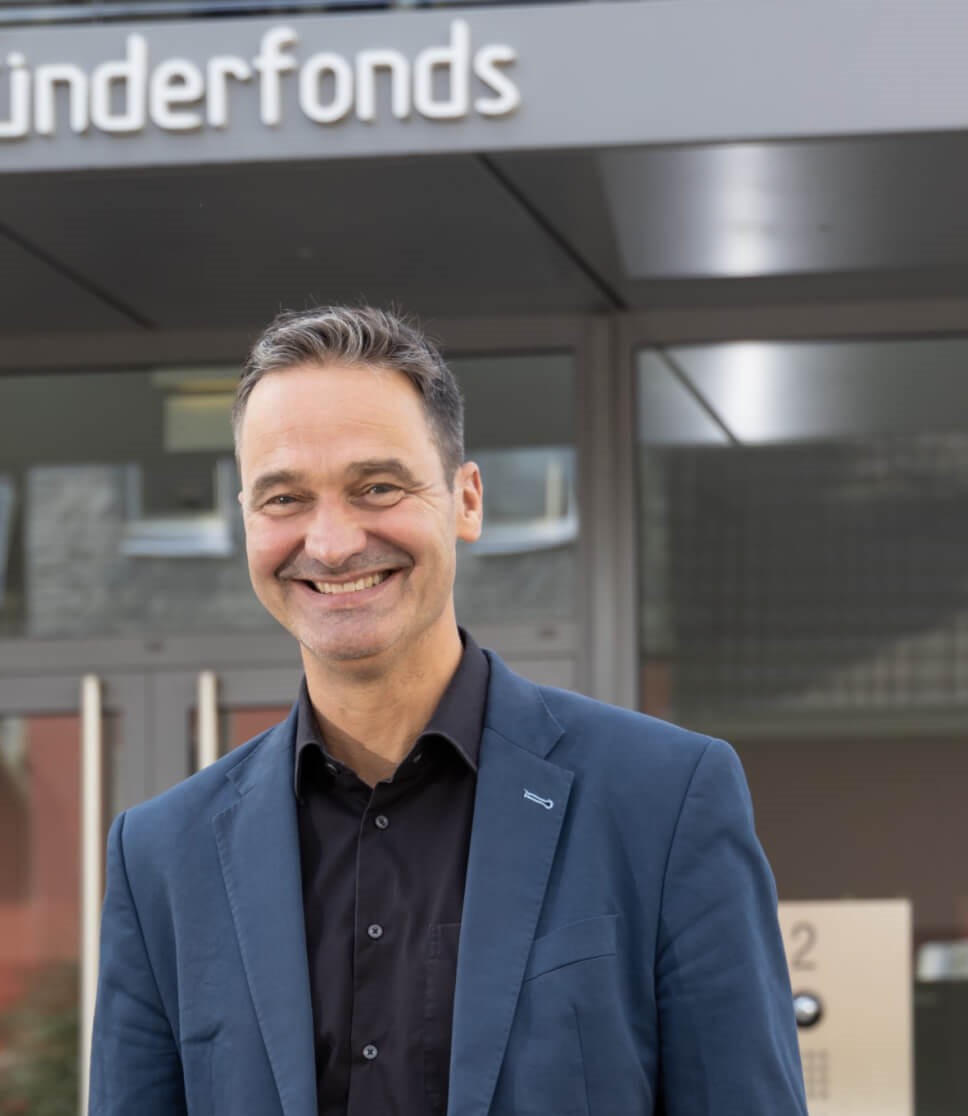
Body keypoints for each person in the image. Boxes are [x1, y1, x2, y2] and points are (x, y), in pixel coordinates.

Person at [88, 307, 805, 1116]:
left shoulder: (664, 801)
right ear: (247, 522)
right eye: (284, 497)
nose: (330, 543)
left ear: (466, 501)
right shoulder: (160, 857)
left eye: (378, 487)